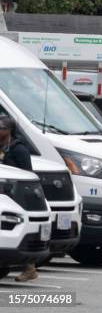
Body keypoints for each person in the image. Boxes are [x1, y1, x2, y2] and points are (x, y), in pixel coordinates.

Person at [0, 116, 37, 282]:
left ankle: (30, 268)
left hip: (17, 197)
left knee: (19, 229)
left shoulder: (19, 149)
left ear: (9, 131)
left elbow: (28, 174)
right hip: (3, 195)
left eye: (1, 128)